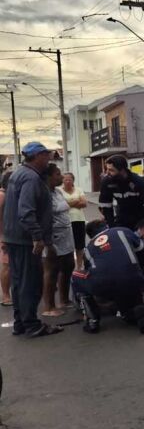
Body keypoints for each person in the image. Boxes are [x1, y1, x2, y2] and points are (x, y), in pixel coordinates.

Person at [3, 142, 61, 337]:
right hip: (26, 239)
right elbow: (26, 211)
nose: (48, 159)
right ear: (37, 156)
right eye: (46, 155)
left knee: (19, 283)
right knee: (31, 283)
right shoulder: (30, 178)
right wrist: (37, 236)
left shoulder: (19, 174)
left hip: (15, 238)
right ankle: (31, 324)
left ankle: (21, 323)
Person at [71, 219, 144, 334]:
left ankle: (92, 320)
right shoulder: (123, 231)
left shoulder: (89, 248)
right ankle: (134, 310)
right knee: (129, 275)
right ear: (107, 226)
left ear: (90, 235)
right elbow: (143, 253)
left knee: (76, 276)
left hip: (105, 285)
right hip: (134, 279)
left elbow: (90, 271)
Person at [41, 164, 75, 317]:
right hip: (53, 235)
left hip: (65, 233)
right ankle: (49, 306)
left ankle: (64, 299)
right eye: (57, 174)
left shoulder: (57, 191)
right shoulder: (43, 192)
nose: (61, 177)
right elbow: (59, 207)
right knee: (51, 270)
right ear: (48, 177)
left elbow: (65, 205)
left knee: (68, 265)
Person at [98, 155, 144, 230]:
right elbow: (105, 207)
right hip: (121, 218)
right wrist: (112, 227)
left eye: (111, 170)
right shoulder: (106, 182)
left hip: (140, 219)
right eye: (107, 169)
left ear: (122, 170)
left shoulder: (140, 182)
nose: (107, 173)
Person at [59, 172, 87, 270]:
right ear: (62, 180)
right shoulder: (59, 191)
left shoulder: (79, 190)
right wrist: (75, 201)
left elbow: (84, 203)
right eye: (65, 179)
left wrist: (68, 203)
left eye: (69, 179)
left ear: (73, 180)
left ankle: (79, 266)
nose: (67, 181)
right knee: (68, 246)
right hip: (66, 222)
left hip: (79, 220)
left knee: (80, 245)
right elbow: (59, 205)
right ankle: (69, 267)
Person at [0, 171, 12, 307]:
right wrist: (3, 237)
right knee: (6, 266)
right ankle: (5, 296)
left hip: (9, 235)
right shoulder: (2, 195)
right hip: (5, 236)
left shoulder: (7, 195)